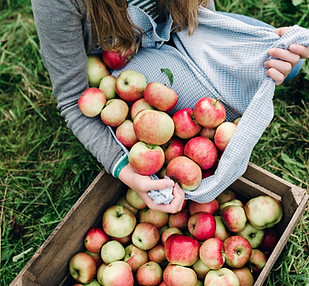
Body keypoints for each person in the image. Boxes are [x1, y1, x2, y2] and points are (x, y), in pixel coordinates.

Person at [31, 0, 309, 213]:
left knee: (286, 61)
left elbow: (199, 15)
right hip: (123, 58)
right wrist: (127, 172)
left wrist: (247, 46)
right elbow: (71, 100)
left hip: (177, 29)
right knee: (196, 125)